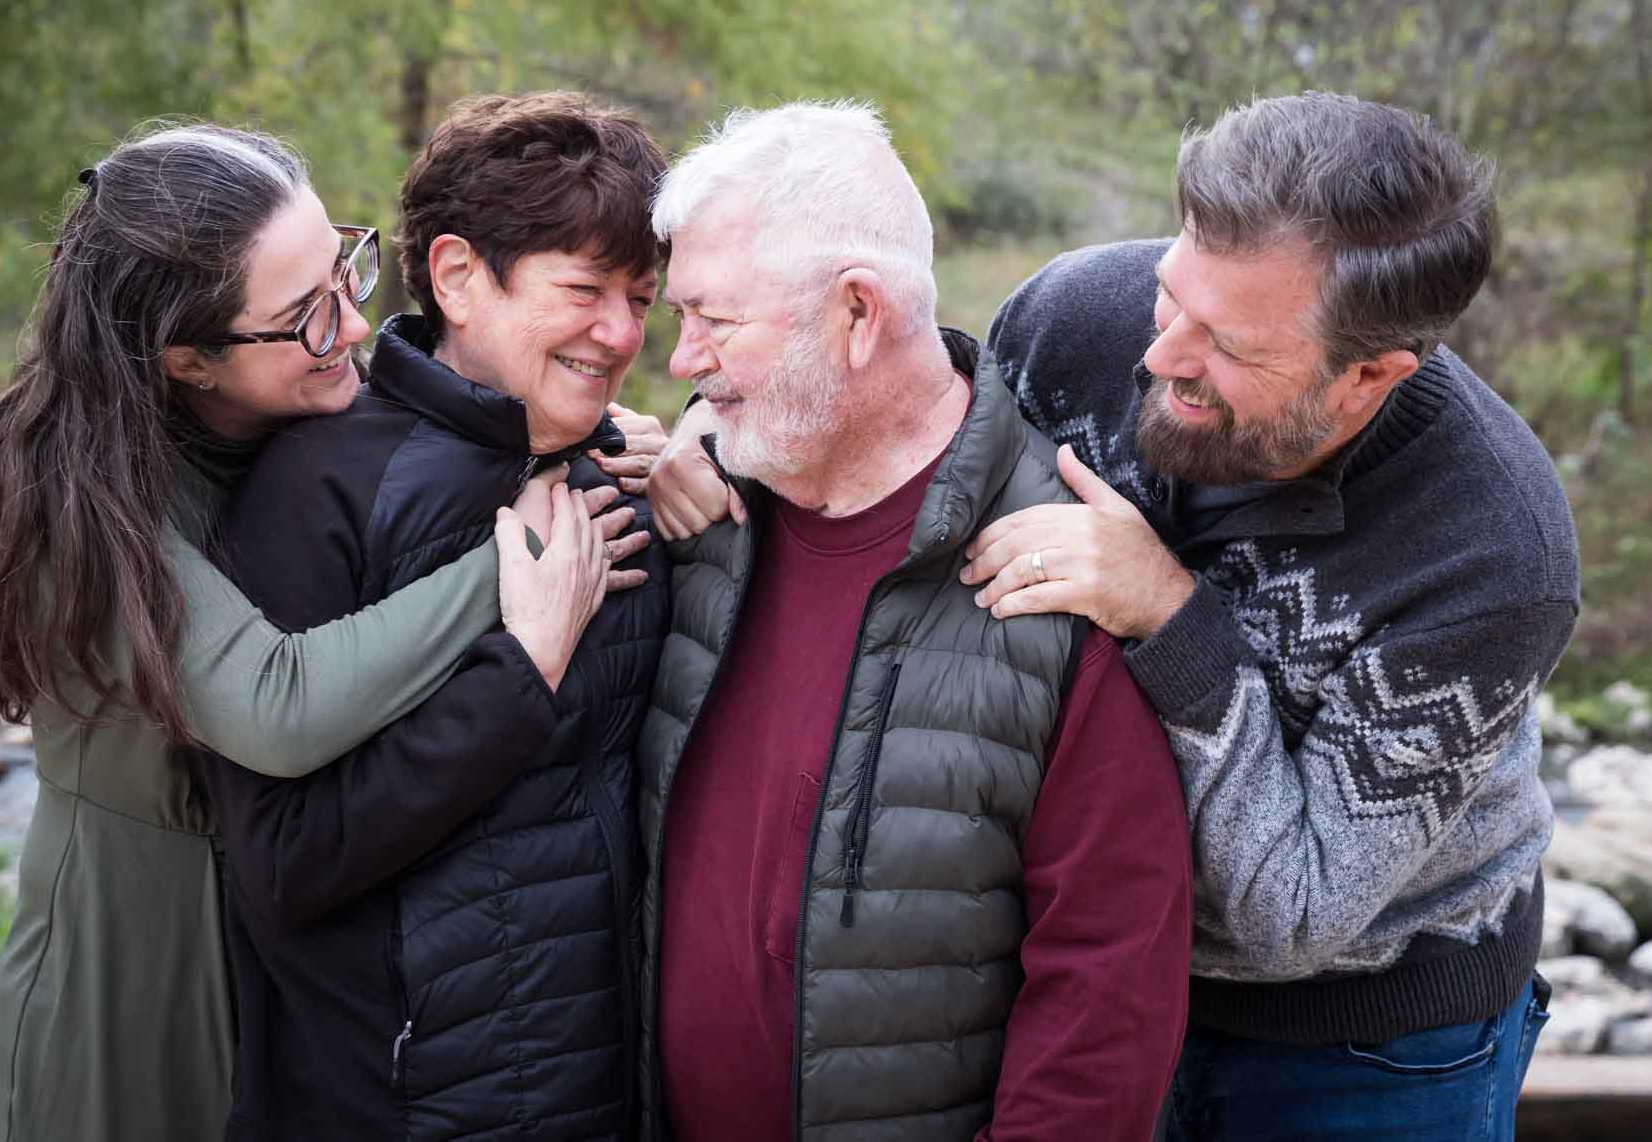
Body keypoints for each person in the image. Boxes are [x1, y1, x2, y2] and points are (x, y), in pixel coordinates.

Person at [0, 124, 650, 1142]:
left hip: (280, 971)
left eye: (344, 274)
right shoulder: (73, 496)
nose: (355, 327)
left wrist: (601, 440)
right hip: (134, 950)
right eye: (308, 317)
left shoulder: (280, 419)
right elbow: (277, 704)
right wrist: (525, 559)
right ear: (187, 359)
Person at [959, 93, 1574, 1139]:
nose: (1158, 356)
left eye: (1229, 346)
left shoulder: (1493, 548)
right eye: (1171, 298)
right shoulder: (1071, 318)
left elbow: (1290, 910)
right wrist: (720, 446)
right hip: (1074, 978)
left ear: (1370, 374)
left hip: (1359, 1047)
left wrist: (1165, 611)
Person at [638, 101, 1192, 1142]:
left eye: (714, 319)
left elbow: (1103, 996)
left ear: (857, 313)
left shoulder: (1066, 572)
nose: (682, 361)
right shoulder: (698, 514)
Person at [200, 92, 673, 1141]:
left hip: (607, 1095)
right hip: (394, 1105)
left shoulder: (628, 474)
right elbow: (284, 867)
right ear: (458, 275)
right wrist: (521, 670)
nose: (622, 333)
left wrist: (719, 467)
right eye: (586, 289)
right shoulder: (318, 485)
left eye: (642, 298)